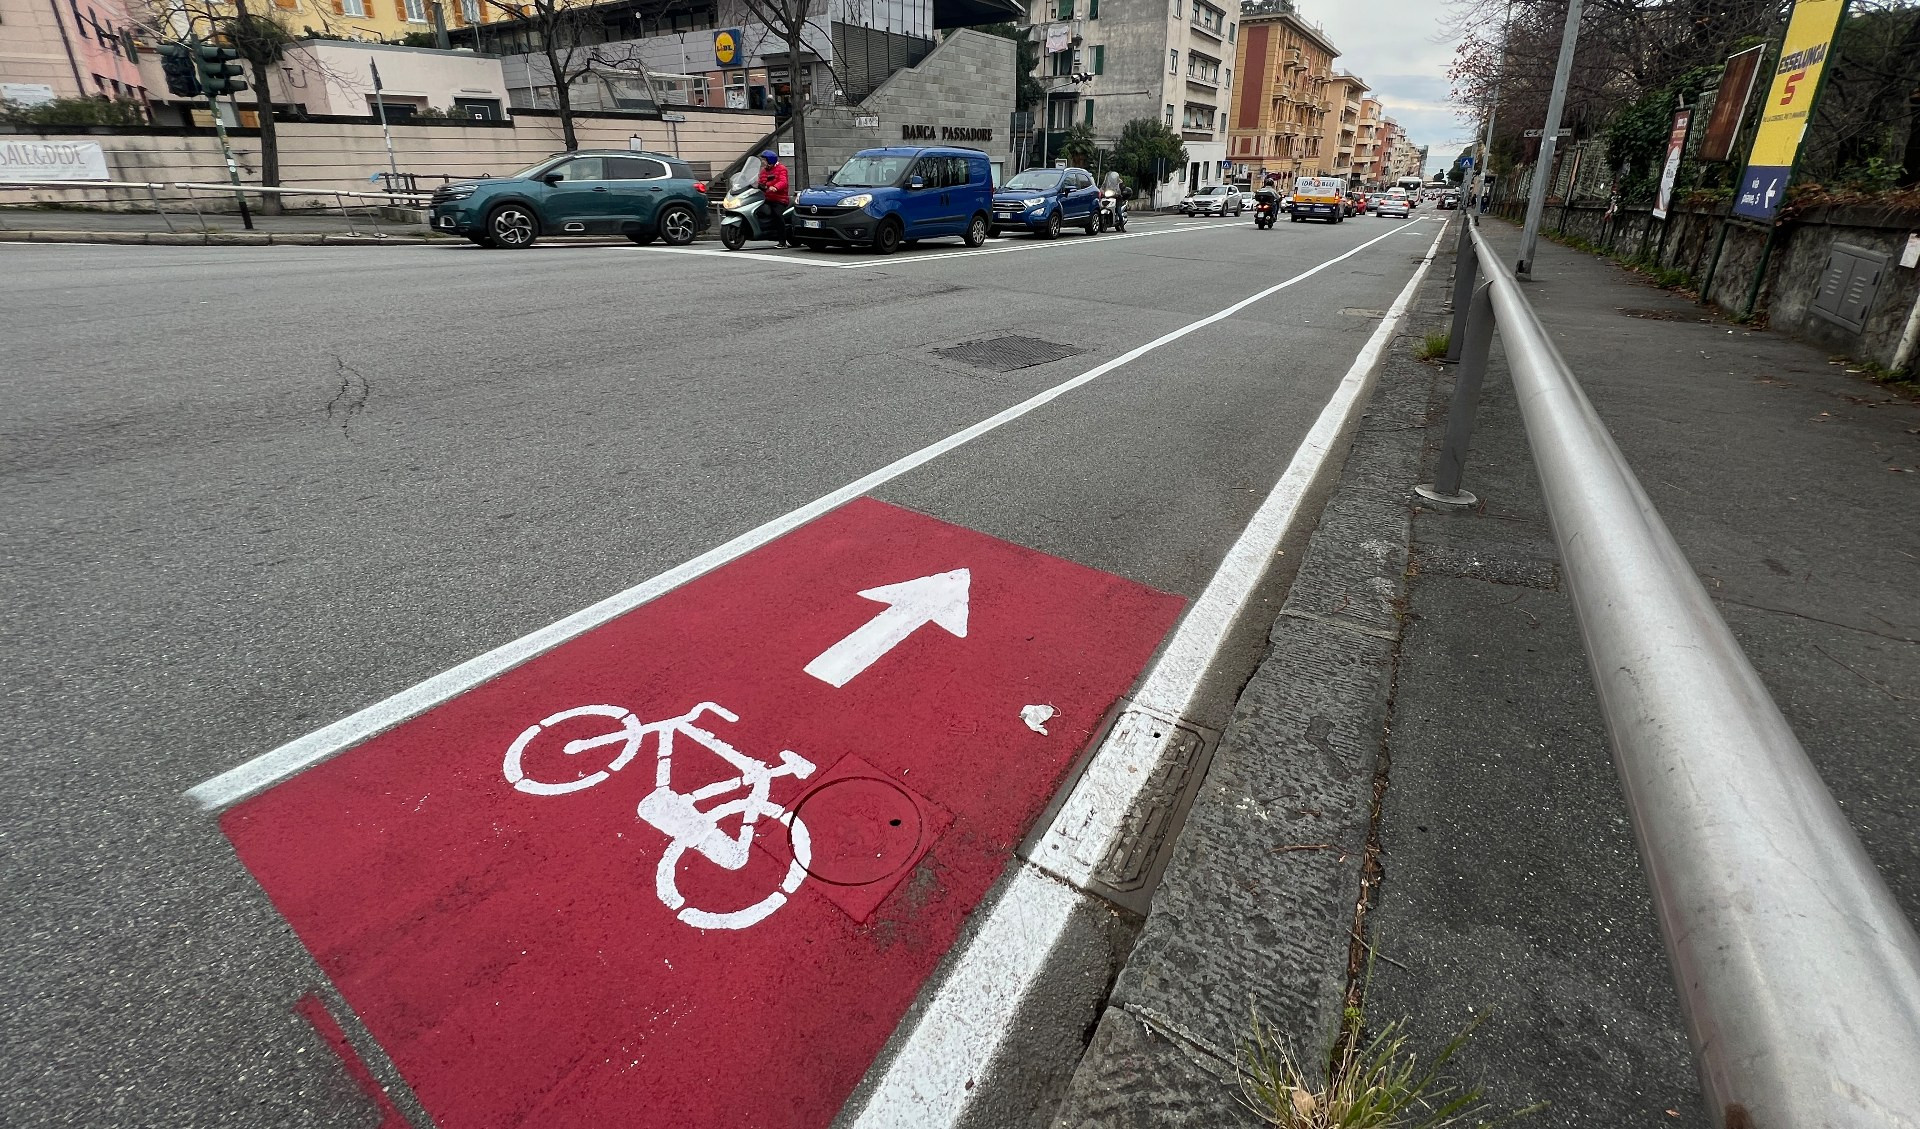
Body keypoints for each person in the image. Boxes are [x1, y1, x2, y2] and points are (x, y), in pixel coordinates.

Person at [757, 149, 790, 244]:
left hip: (779, 199)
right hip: (766, 198)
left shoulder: (781, 168)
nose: (763, 162)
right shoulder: (763, 171)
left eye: (764, 160)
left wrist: (775, 187)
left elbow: (783, 181)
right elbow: (761, 182)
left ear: (770, 160)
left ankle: (782, 241)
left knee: (777, 215)